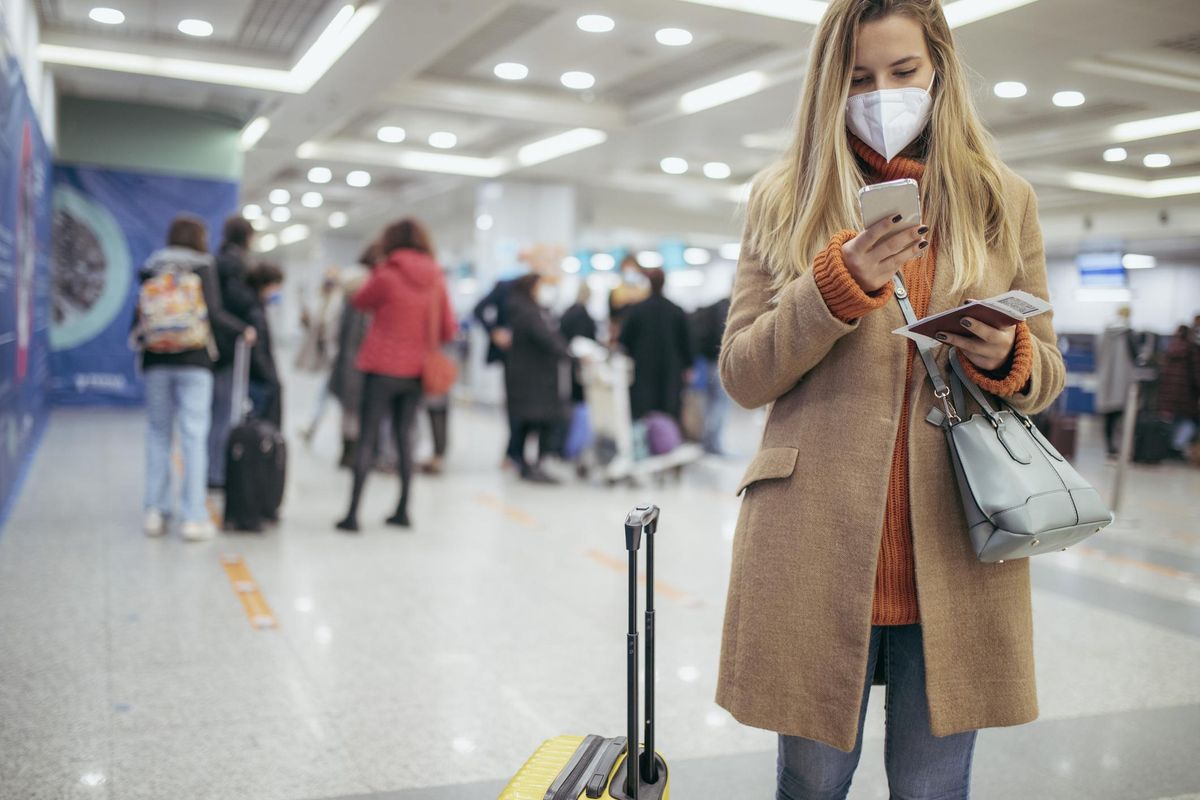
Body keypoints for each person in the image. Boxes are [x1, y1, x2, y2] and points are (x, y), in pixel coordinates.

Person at [713, 3, 1066, 797]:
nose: (881, 95)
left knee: (931, 788)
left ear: (939, 67)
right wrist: (835, 289)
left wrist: (1009, 355)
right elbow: (742, 373)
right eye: (858, 79)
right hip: (813, 539)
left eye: (903, 72)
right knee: (811, 783)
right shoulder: (785, 196)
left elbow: (1047, 375)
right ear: (828, 86)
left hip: (960, 536)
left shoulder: (1000, 198)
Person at [336, 220, 455, 532]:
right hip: (416, 372)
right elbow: (448, 328)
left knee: (368, 437)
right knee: (405, 438)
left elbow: (360, 301)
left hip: (380, 368)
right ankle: (403, 510)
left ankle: (353, 514)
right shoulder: (436, 278)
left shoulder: (387, 273)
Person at [134, 215, 248, 541]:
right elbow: (214, 312)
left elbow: (139, 316)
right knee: (194, 437)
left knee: (158, 433)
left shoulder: (152, 266)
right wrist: (243, 329)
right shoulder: (203, 265)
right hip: (196, 360)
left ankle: (154, 511)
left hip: (156, 359)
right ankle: (192, 517)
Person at [207, 216, 258, 488]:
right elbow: (238, 301)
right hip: (228, 348)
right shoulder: (235, 264)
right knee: (223, 413)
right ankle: (216, 472)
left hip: (209, 347)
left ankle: (209, 468)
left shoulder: (215, 260)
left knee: (211, 413)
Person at [505, 273, 571, 483]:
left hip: (526, 376)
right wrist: (569, 352)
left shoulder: (521, 309)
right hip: (535, 379)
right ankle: (535, 465)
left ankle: (525, 464)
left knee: (525, 423)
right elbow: (548, 340)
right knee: (543, 421)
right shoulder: (529, 313)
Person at [618, 269, 694, 422]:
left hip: (642, 370)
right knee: (668, 413)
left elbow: (623, 340)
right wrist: (688, 366)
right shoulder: (676, 311)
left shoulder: (636, 311)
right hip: (671, 371)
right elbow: (687, 342)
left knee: (644, 414)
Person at [329, 245, 377, 468]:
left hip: (345, 359)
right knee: (359, 410)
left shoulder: (347, 293)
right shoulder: (367, 295)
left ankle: (347, 451)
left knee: (348, 410)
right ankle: (355, 452)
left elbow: (335, 330)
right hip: (362, 361)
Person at [297, 269, 342, 442]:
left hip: (339, 358)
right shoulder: (323, 301)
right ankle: (312, 427)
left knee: (331, 396)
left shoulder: (338, 302)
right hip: (330, 358)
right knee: (323, 395)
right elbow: (316, 328)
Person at [244, 263, 285, 427]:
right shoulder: (255, 311)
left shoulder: (255, 307)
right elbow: (258, 350)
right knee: (262, 422)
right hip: (259, 379)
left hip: (257, 376)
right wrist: (268, 376)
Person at [1096, 306, 1139, 457]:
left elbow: (1098, 355)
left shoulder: (1104, 333)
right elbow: (1136, 357)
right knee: (1122, 417)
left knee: (1108, 417)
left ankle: (1109, 447)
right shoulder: (1130, 333)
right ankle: (1122, 448)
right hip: (1123, 380)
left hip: (1106, 379)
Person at [695, 296, 731, 455]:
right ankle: (713, 443)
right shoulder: (727, 308)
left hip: (707, 362)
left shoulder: (715, 306)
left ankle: (707, 441)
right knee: (720, 404)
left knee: (710, 403)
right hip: (718, 362)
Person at [1156, 324, 1199, 459]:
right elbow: (1196, 373)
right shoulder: (1192, 349)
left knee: (1172, 421)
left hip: (1168, 393)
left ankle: (1168, 448)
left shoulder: (1170, 347)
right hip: (1186, 394)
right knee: (1189, 422)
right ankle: (1176, 447)